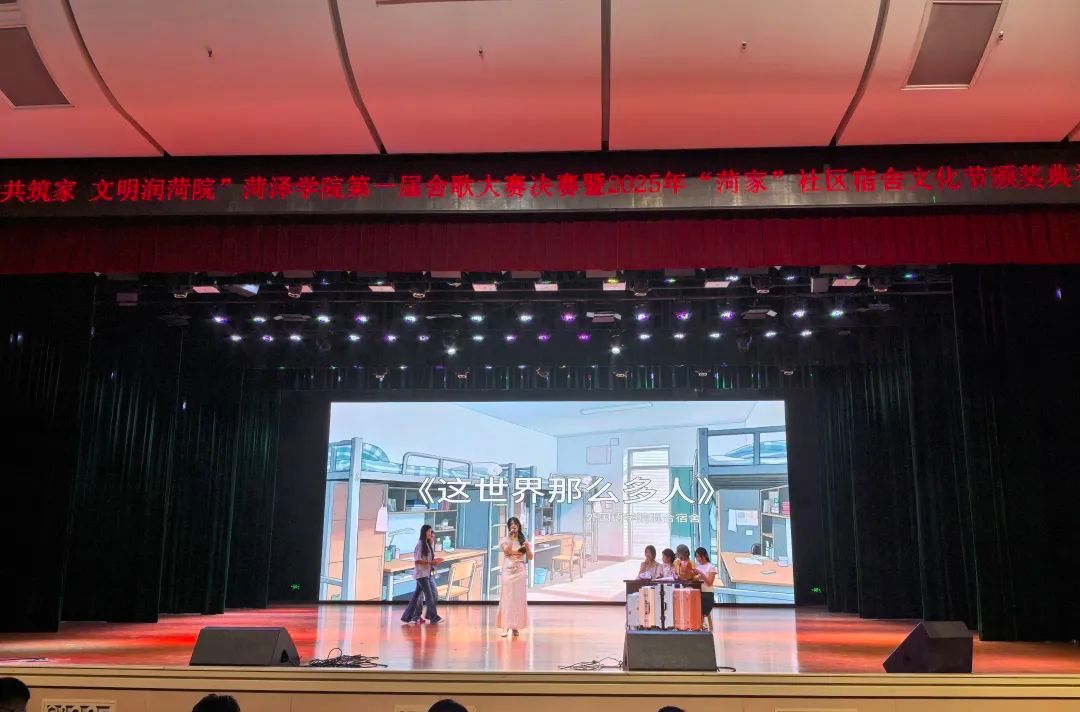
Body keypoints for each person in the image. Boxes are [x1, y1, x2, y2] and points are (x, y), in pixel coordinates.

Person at [496, 516, 532, 637]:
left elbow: (530, 557)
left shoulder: (523, 540)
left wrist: (527, 548)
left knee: (518, 599)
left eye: (515, 524)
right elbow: (507, 552)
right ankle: (505, 627)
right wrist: (511, 539)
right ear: (508, 527)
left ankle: (516, 626)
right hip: (508, 570)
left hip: (520, 571)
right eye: (511, 524)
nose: (513, 526)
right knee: (507, 598)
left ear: (519, 526)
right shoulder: (504, 540)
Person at [401, 524, 444, 625]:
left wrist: (434, 562)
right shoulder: (420, 544)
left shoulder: (427, 544)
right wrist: (431, 562)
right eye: (429, 532)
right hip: (421, 574)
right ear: (424, 532)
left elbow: (427, 558)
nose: (431, 534)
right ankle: (434, 617)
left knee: (417, 596)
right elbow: (417, 560)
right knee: (429, 595)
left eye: (431, 532)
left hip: (426, 573)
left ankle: (408, 617)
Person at [692, 547, 718, 623]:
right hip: (697, 592)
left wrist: (700, 573)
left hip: (707, 593)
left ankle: (702, 624)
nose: (698, 559)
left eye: (700, 556)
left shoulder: (711, 567)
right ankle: (696, 624)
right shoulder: (697, 566)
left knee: (702, 608)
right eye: (697, 557)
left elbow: (709, 583)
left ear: (705, 555)